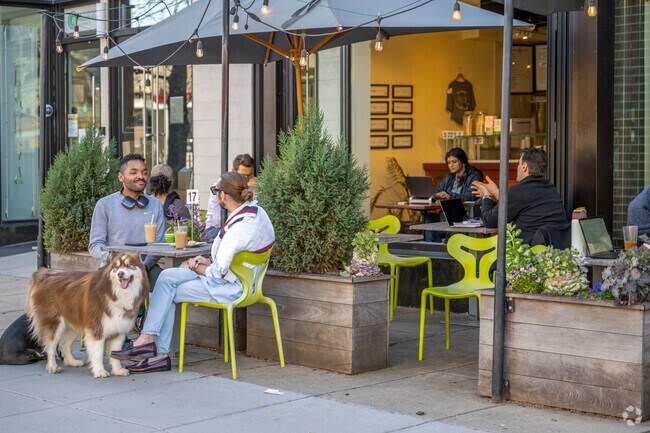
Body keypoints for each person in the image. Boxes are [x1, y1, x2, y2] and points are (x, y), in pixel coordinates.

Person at [109, 172, 275, 373]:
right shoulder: (256, 213)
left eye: (215, 191)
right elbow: (234, 258)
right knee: (166, 277)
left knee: (167, 291)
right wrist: (205, 260)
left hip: (231, 286)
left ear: (223, 196)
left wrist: (196, 266)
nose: (214, 196)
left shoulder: (239, 229)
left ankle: (156, 350)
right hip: (241, 278)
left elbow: (216, 274)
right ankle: (153, 346)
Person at [89, 153, 166, 284]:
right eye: (133, 172)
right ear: (121, 177)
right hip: (113, 267)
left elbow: (160, 243)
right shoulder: (105, 205)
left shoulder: (155, 204)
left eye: (144, 172)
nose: (140, 177)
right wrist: (117, 260)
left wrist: (144, 266)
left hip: (145, 266)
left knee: (166, 282)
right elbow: (95, 246)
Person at [471, 147, 570, 248]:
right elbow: (520, 205)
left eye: (519, 163)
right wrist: (497, 193)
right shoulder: (550, 188)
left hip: (527, 256)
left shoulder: (518, 191)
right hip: (553, 252)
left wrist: (486, 196)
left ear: (524, 167)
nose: (517, 167)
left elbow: (490, 221)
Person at [424, 148, 483, 242]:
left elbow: (470, 196)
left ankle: (444, 250)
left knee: (432, 220)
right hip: (447, 213)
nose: (451, 165)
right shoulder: (450, 176)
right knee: (428, 219)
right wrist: (437, 195)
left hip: (464, 215)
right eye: (448, 162)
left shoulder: (474, 176)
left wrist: (450, 196)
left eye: (454, 162)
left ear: (462, 162)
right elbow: (438, 190)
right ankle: (432, 252)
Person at [204, 154, 256, 241]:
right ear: (233, 172)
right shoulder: (220, 187)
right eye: (242, 175)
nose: (246, 179)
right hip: (219, 228)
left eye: (249, 175)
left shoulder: (254, 186)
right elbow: (215, 219)